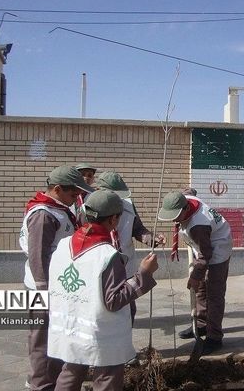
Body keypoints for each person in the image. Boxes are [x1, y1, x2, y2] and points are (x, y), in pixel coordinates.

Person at [47, 190, 158, 391]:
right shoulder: (107, 255)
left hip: (71, 325)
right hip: (102, 332)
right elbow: (114, 300)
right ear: (114, 219)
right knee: (107, 378)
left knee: (71, 371)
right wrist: (143, 274)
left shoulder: (63, 245)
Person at [19, 165, 95, 391]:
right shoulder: (43, 215)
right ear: (58, 189)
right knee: (42, 340)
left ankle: (51, 377)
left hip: (58, 286)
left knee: (56, 336)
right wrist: (44, 290)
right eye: (73, 194)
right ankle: (41, 384)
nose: (76, 199)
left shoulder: (57, 208)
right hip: (44, 289)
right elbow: (38, 255)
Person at [158, 191, 232, 355]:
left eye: (176, 216)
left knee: (214, 295)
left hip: (217, 249)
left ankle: (214, 337)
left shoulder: (199, 225)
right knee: (200, 290)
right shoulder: (188, 199)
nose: (174, 220)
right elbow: (190, 192)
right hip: (202, 248)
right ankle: (201, 325)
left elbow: (206, 255)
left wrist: (195, 276)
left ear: (185, 209)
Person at [96, 171, 165, 277]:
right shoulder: (90, 207)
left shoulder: (128, 205)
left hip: (127, 264)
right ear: (99, 191)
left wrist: (152, 239)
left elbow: (137, 229)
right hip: (101, 264)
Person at [73, 162, 97, 227]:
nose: (86, 178)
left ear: (93, 179)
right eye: (82, 174)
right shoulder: (69, 193)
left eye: (89, 175)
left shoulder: (95, 196)